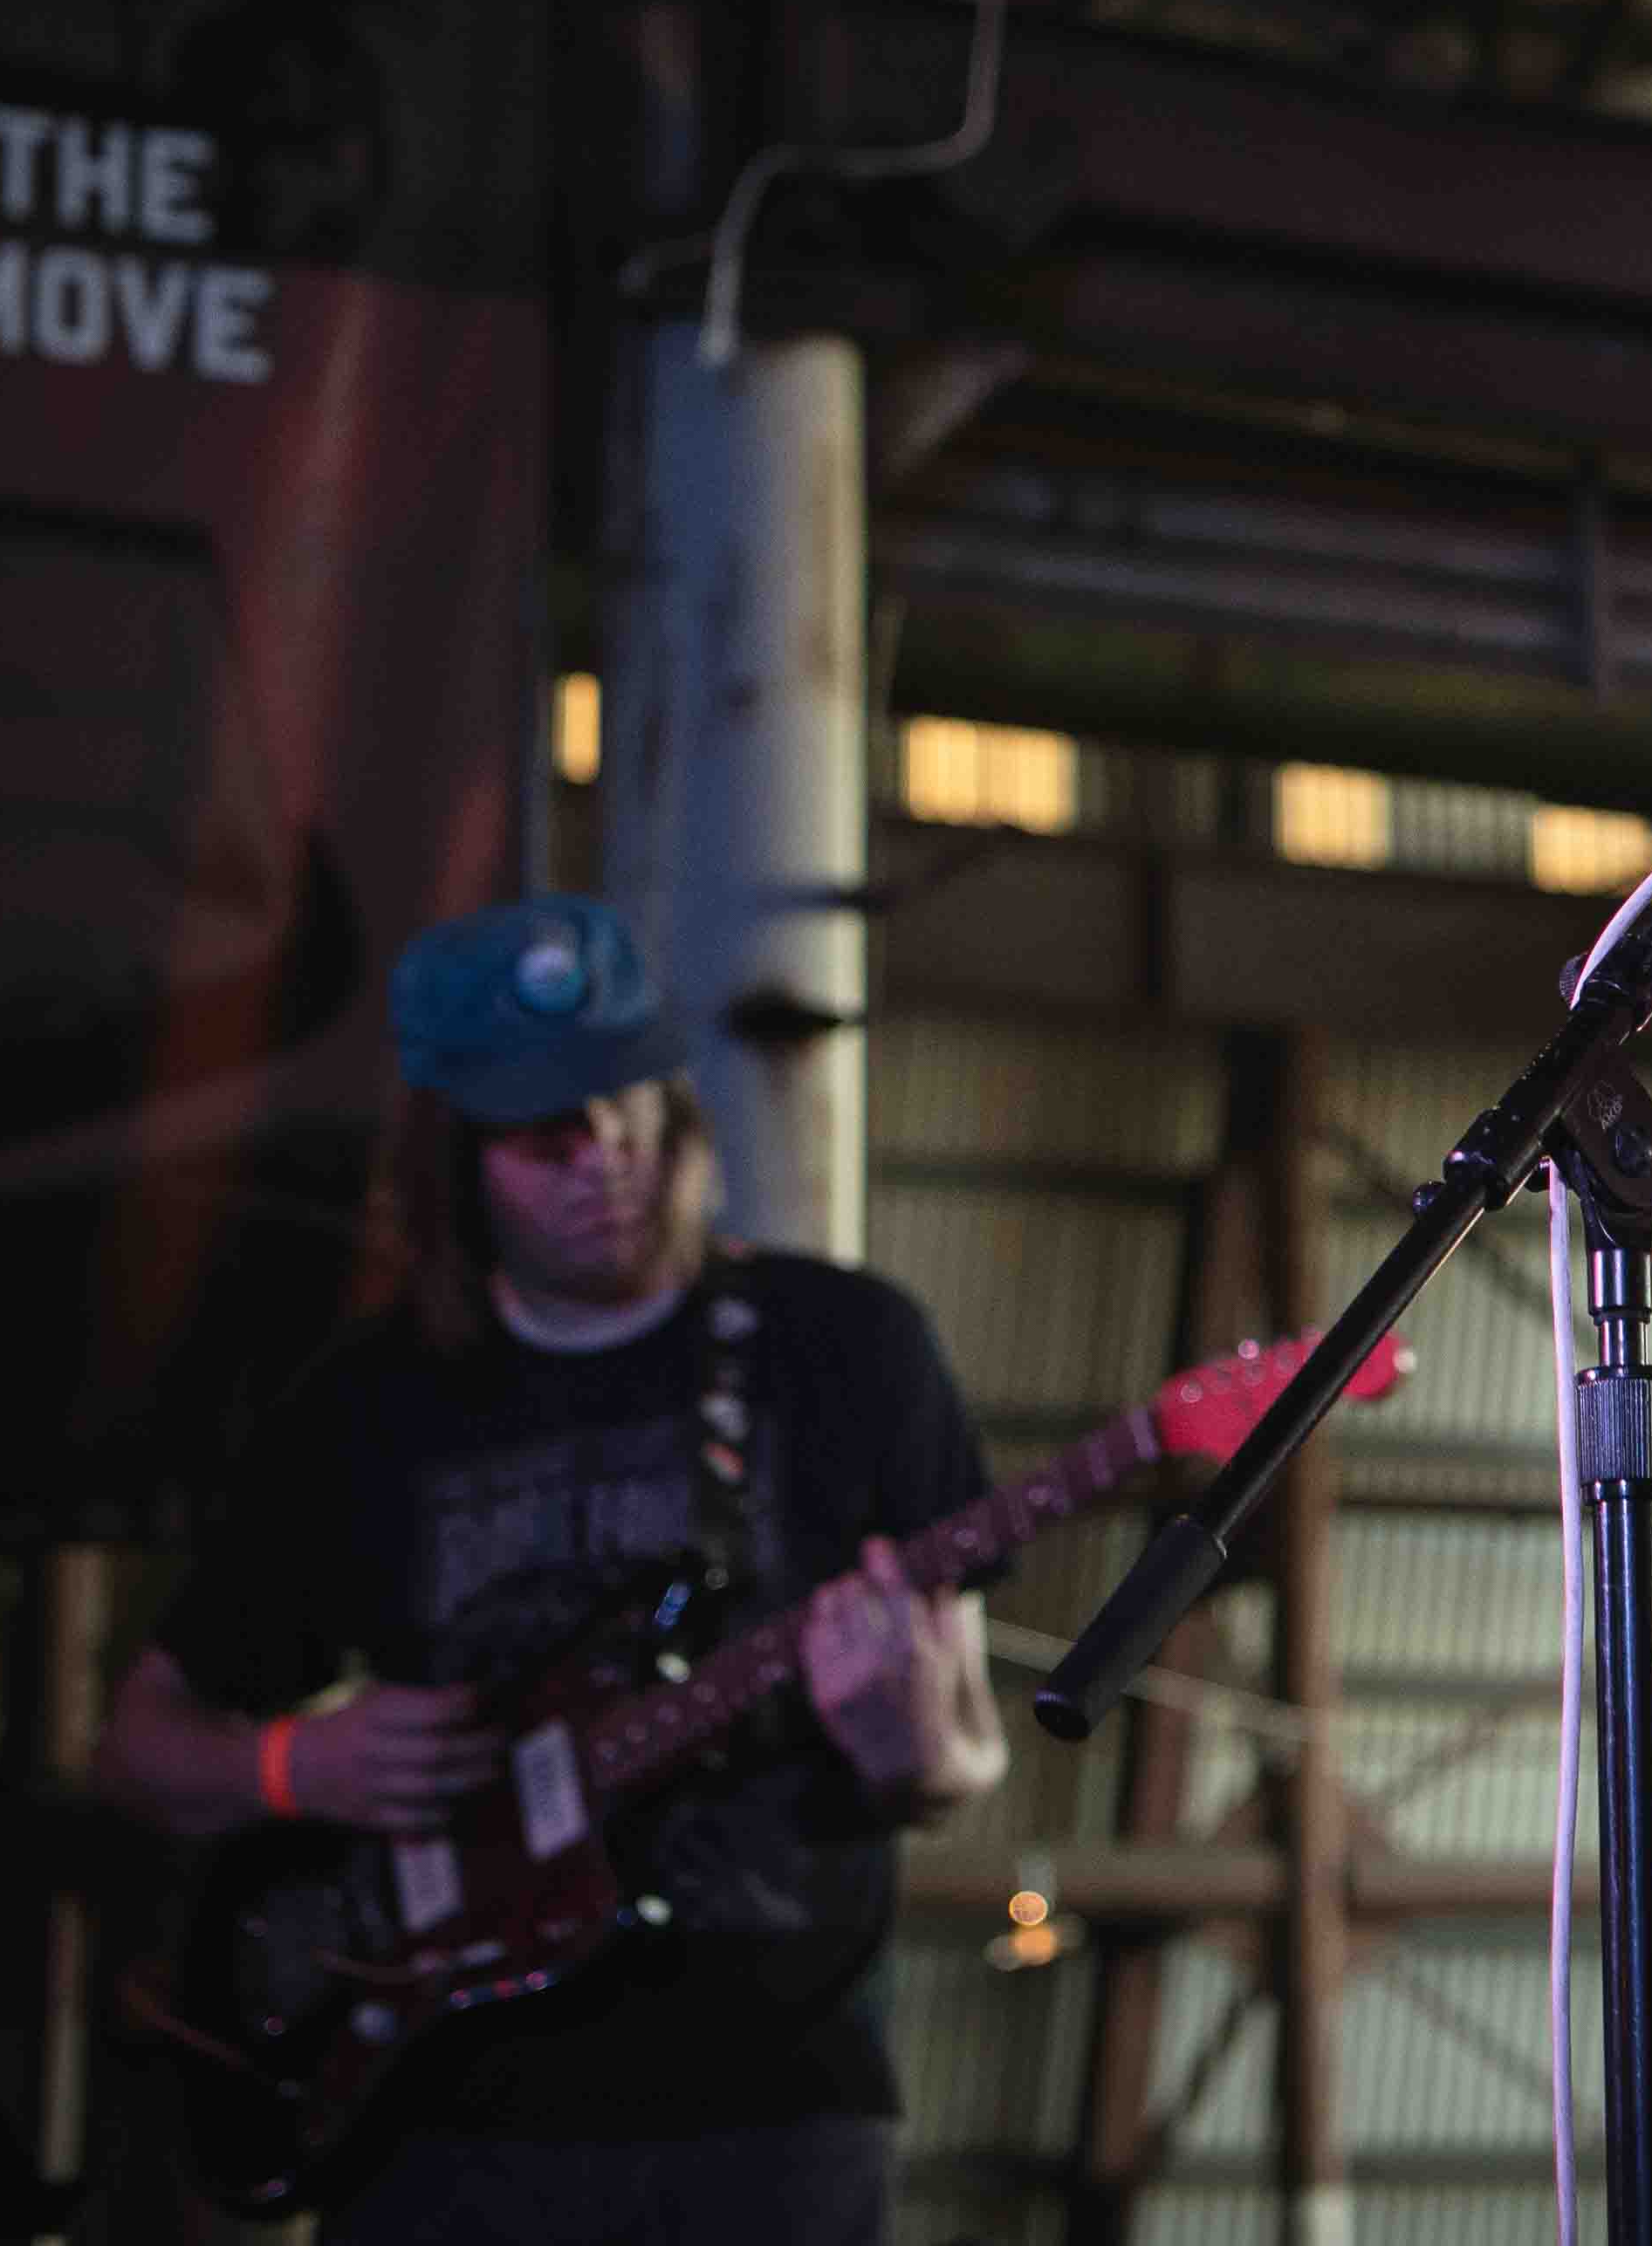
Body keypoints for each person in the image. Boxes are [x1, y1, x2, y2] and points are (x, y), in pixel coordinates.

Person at [100, 894, 1005, 2245]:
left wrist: (915, 1749)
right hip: (440, 2122)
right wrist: (294, 1766)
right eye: (546, 1131)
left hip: (776, 2117)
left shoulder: (849, 1350)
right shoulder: (364, 1407)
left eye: (634, 1099)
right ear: (452, 1158)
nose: (611, 1154)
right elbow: (137, 1747)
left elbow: (968, 1757)